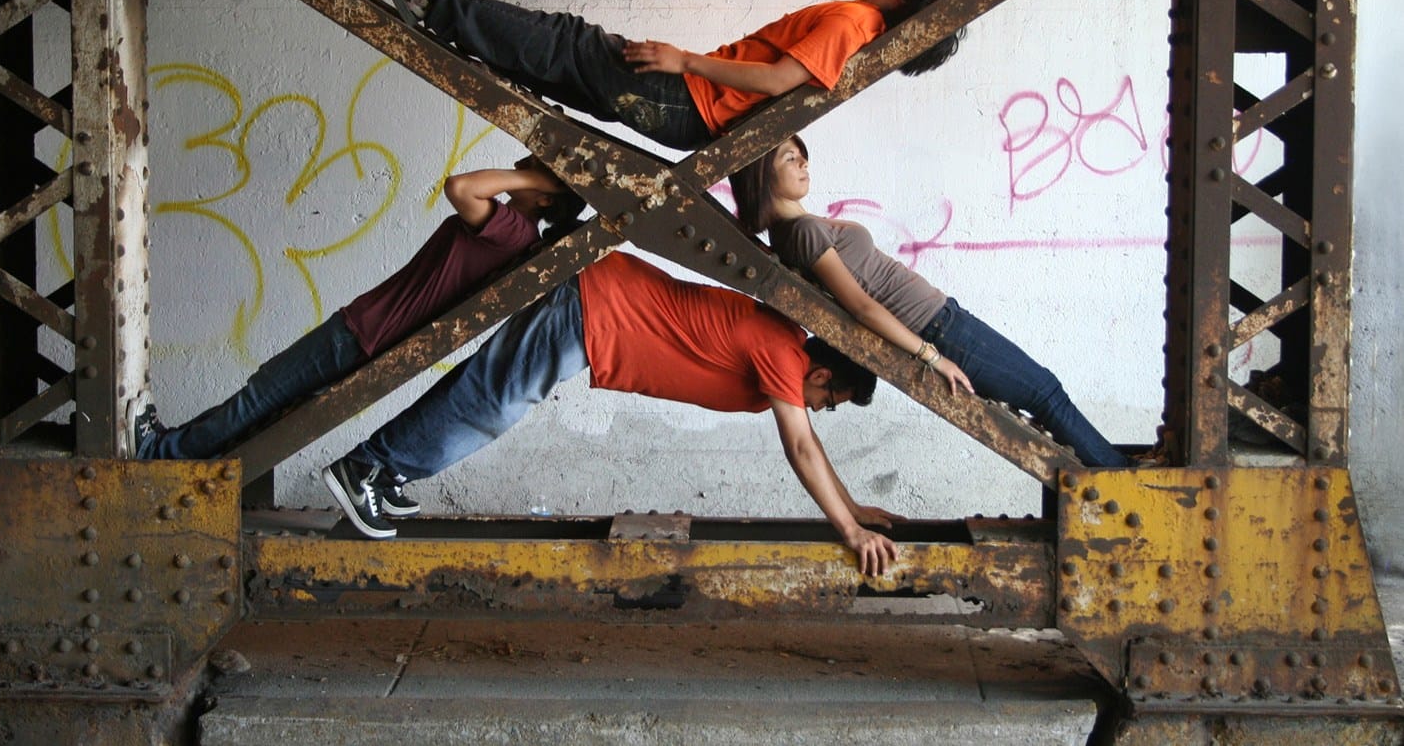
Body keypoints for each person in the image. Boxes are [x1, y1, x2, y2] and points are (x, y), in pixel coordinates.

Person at [323, 251, 901, 576]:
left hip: (595, 307)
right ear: (822, 375)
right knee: (490, 403)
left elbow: (809, 444)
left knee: (489, 394)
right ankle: (368, 469)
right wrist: (848, 530)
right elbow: (801, 447)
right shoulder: (785, 353)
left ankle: (383, 469)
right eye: (829, 400)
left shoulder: (787, 347)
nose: (820, 409)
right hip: (593, 311)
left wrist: (852, 508)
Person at [131, 158, 586, 516]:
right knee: (264, 405)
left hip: (362, 329)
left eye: (534, 166)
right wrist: (538, 181)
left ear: (545, 197)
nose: (523, 161)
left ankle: (160, 453)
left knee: (259, 396)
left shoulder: (510, 229)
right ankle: (177, 450)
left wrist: (537, 180)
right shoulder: (516, 233)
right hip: (371, 332)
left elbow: (460, 186)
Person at [370, 0, 962, 150]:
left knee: (570, 42)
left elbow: (780, 79)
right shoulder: (855, 18)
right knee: (561, 63)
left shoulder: (856, 22)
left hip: (689, 103)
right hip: (688, 107)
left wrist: (685, 62)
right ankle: (441, 2)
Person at [731, 136, 1131, 469]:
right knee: (1044, 393)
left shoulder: (801, 228)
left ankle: (1116, 471)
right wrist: (932, 356)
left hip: (941, 321)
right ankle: (1122, 480)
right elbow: (861, 306)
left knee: (1043, 394)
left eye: (803, 156)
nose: (804, 164)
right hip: (938, 328)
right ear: (761, 176)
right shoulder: (801, 232)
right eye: (790, 158)